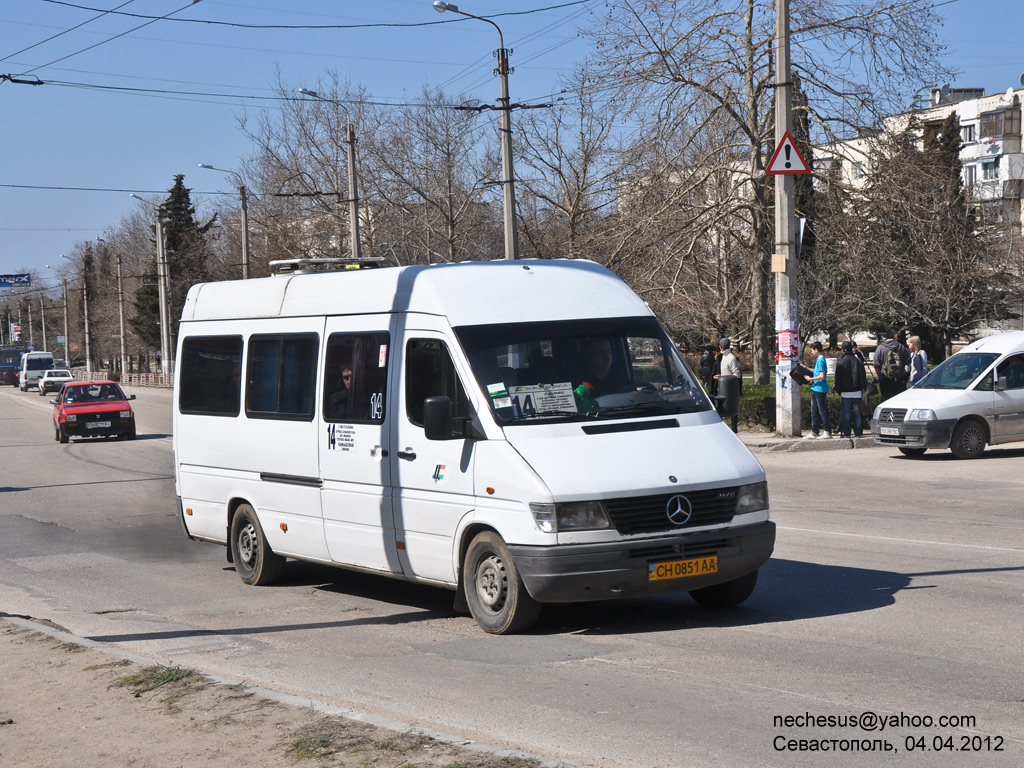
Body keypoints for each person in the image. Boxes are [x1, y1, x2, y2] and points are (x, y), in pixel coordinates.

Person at [833, 340, 866, 438]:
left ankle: (847, 433)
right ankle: (858, 432)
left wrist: (839, 390)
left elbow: (837, 379)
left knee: (846, 413)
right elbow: (862, 377)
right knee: (857, 413)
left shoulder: (840, 362)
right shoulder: (857, 361)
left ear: (843, 350)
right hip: (857, 392)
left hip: (845, 392)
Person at [872, 328, 911, 401]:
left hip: (885, 380)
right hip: (899, 380)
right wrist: (905, 374)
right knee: (899, 402)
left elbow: (876, 365)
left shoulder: (880, 348)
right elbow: (908, 363)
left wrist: (881, 377)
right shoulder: (901, 347)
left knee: (887, 401)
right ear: (895, 335)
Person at [803, 341, 833, 439]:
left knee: (822, 411)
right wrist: (806, 368)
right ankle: (814, 431)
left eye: (812, 350)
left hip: (820, 389)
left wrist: (810, 379)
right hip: (816, 388)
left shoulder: (821, 361)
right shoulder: (819, 360)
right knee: (814, 410)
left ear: (816, 350)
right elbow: (816, 372)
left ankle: (827, 431)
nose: (811, 352)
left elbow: (821, 376)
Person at [714, 337, 741, 432]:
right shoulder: (724, 357)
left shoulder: (731, 358)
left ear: (720, 347)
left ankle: (734, 428)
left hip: (730, 387)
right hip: (723, 385)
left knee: (732, 409)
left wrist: (723, 378)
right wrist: (721, 376)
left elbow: (737, 374)